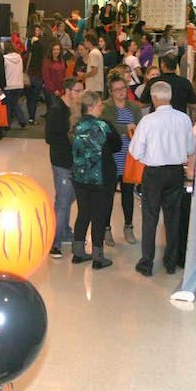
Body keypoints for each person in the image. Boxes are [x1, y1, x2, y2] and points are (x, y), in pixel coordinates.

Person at [129, 82, 196, 277]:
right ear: (170, 96)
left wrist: (147, 158)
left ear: (154, 98)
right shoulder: (183, 119)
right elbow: (191, 149)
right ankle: (171, 262)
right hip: (175, 172)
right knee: (172, 218)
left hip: (153, 173)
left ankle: (147, 263)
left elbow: (135, 152)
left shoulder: (148, 121)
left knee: (150, 218)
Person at [69, 90, 121, 269]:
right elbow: (117, 145)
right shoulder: (103, 126)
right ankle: (98, 257)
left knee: (83, 213)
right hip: (100, 177)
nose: (102, 107)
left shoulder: (76, 125)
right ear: (91, 107)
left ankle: (78, 252)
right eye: (100, 105)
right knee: (99, 215)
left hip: (79, 177)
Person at [101, 74, 143, 246]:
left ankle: (128, 227)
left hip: (129, 159)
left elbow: (140, 127)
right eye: (117, 90)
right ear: (110, 92)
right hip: (112, 159)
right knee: (108, 196)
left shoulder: (133, 107)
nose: (121, 93)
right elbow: (107, 127)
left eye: (123, 89)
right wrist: (126, 128)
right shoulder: (105, 107)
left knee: (128, 194)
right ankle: (106, 229)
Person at [45, 77, 84, 259]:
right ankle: (54, 242)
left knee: (68, 198)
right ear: (67, 91)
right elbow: (50, 138)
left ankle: (65, 231)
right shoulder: (57, 110)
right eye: (77, 90)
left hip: (74, 162)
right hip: (62, 163)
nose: (80, 94)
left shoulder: (75, 109)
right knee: (62, 201)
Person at [2, 41, 28, 129]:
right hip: (19, 84)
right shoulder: (19, 57)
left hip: (9, 84)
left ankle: (7, 123)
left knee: (8, 105)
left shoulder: (4, 58)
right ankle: (22, 120)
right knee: (14, 103)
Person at [24, 25, 46, 124]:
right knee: (34, 98)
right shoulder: (42, 49)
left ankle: (30, 117)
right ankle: (32, 117)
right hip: (38, 76)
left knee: (29, 97)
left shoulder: (28, 53)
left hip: (29, 76)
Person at [41, 40, 66, 112]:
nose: (56, 51)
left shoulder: (61, 60)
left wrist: (64, 88)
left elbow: (64, 75)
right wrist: (54, 90)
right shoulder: (47, 61)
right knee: (53, 110)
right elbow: (46, 78)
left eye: (58, 49)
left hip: (61, 90)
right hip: (51, 91)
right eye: (54, 49)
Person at [79, 31, 103, 96]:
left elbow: (94, 71)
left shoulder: (93, 53)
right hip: (97, 86)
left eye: (85, 41)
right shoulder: (97, 52)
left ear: (89, 42)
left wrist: (84, 75)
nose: (84, 43)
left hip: (93, 86)